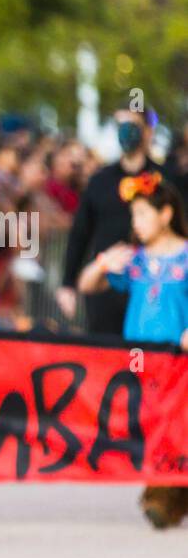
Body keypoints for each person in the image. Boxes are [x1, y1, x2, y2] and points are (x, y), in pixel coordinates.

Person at [76, 171, 188, 529]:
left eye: (142, 214)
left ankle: (162, 497)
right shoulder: (135, 260)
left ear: (166, 213)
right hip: (142, 360)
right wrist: (103, 263)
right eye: (134, 216)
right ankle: (167, 493)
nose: (136, 223)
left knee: (175, 427)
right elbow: (87, 285)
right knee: (155, 426)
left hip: (178, 361)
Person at [60, 109, 164, 335]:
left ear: (147, 131)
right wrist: (68, 282)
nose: (126, 132)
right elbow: (80, 232)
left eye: (133, 125)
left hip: (153, 287)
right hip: (107, 285)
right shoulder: (100, 181)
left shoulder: (164, 180)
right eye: (121, 125)